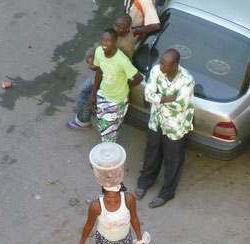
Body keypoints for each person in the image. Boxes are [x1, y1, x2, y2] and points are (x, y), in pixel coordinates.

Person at [135, 48, 195, 208]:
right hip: (156, 120)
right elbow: (147, 94)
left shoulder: (187, 80)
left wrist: (158, 99)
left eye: (165, 64)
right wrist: (167, 98)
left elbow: (180, 105)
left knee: (173, 159)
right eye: (161, 62)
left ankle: (167, 192)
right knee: (152, 152)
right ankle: (145, 181)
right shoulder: (156, 71)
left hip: (175, 126)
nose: (161, 66)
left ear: (175, 65)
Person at [66, 15, 135, 131]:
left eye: (119, 27)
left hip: (105, 74)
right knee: (90, 92)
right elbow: (104, 43)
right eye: (115, 25)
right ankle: (83, 107)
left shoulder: (125, 47)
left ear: (128, 29)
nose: (116, 28)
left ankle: (83, 121)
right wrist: (93, 53)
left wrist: (96, 67)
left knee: (85, 90)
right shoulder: (118, 34)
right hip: (102, 71)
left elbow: (115, 65)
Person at [90, 28, 143, 142]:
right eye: (103, 40)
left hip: (117, 101)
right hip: (103, 94)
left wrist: (127, 87)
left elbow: (139, 78)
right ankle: (109, 149)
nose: (104, 43)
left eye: (108, 41)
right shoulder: (99, 51)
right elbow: (99, 72)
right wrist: (93, 94)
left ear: (115, 42)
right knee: (103, 125)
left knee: (108, 133)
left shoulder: (122, 61)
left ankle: (109, 156)